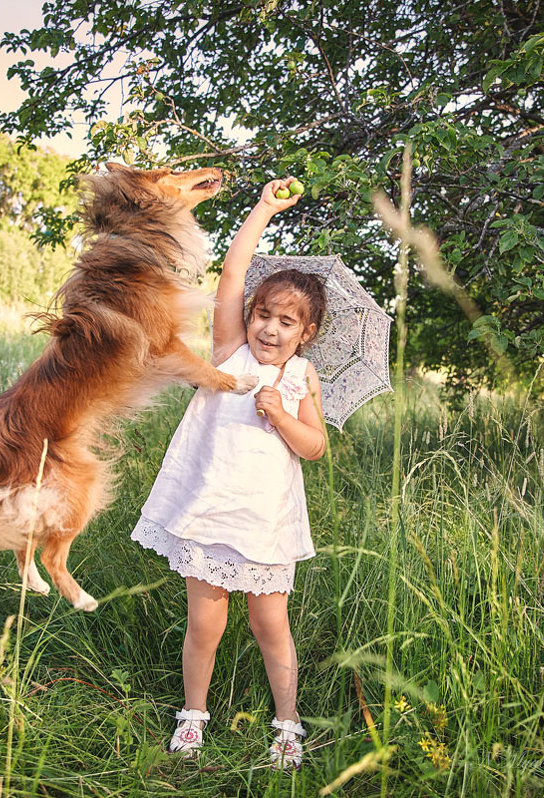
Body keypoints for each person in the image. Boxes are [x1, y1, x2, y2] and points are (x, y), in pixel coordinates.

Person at [131, 177, 328, 769]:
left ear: (307, 333)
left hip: (265, 522)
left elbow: (314, 447)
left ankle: (287, 724)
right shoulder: (229, 355)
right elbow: (231, 276)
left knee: (272, 626)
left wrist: (281, 415)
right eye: (263, 315)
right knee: (205, 624)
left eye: (286, 323)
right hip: (211, 512)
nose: (270, 329)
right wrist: (265, 208)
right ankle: (194, 716)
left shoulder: (302, 379)